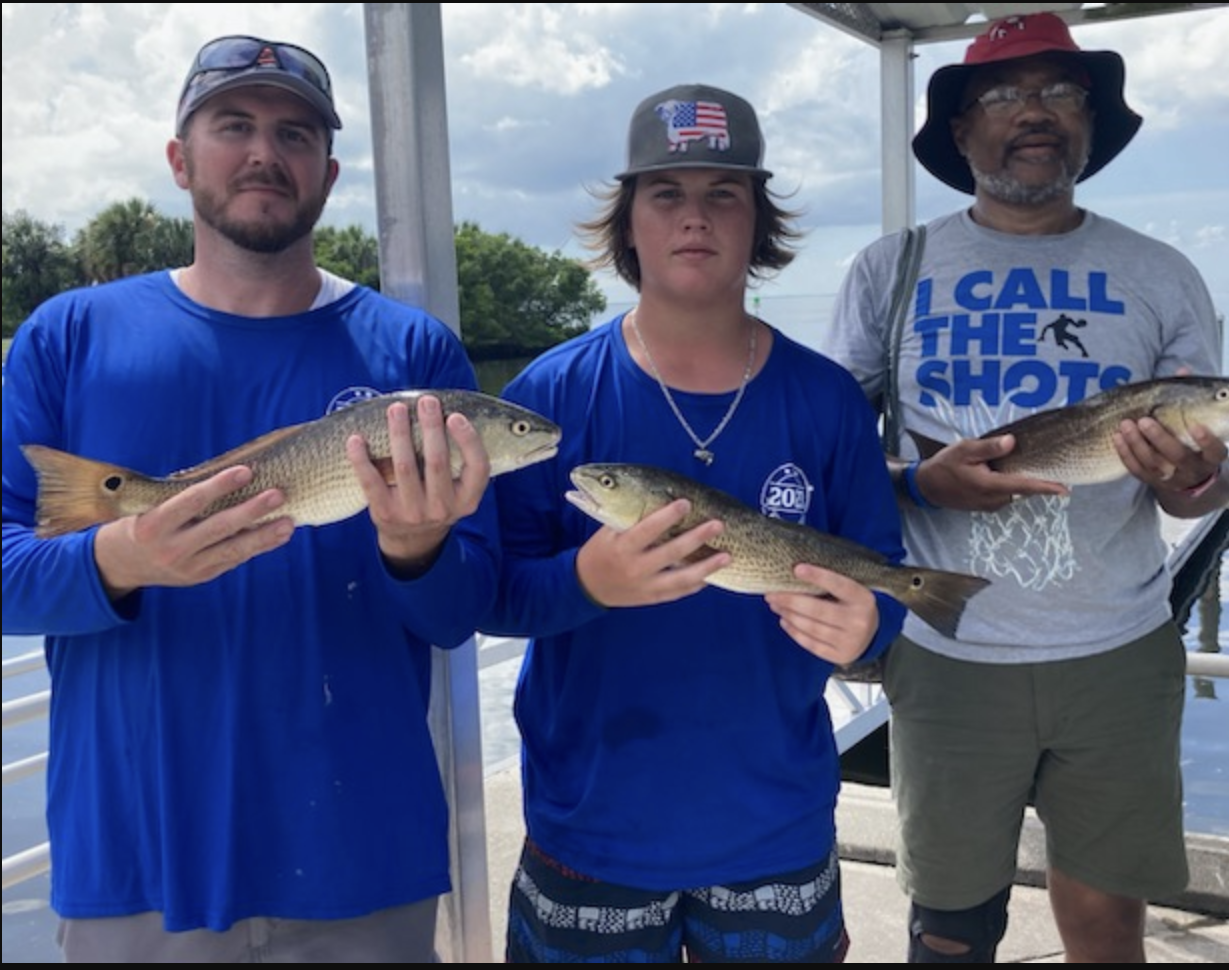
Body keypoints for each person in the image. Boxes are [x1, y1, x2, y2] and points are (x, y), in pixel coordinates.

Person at [1, 35, 502, 962]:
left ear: (330, 174)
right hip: (136, 861)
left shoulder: (415, 358)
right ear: (179, 158)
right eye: (234, 125)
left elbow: (462, 612)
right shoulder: (67, 337)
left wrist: (418, 551)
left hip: (364, 860)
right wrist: (120, 559)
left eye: (296, 134)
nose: (265, 152)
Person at [822, 12, 1229, 963]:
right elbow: (827, 453)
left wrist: (1195, 474)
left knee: (1107, 918)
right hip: (948, 650)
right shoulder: (890, 269)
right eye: (1003, 94)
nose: (1035, 111)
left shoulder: (1160, 273)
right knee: (950, 925)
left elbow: (1194, 493)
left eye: (1060, 91)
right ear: (960, 129)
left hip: (1119, 652)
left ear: (1090, 121)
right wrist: (919, 482)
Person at [480, 82, 907, 963]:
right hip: (590, 824)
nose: (695, 216)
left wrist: (869, 624)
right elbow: (494, 593)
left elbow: (884, 572)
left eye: (724, 193)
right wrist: (587, 581)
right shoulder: (549, 396)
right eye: (666, 192)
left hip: (776, 822)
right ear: (628, 222)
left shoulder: (827, 399)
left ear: (759, 222)